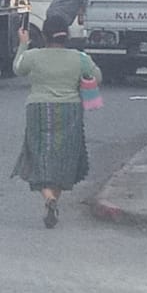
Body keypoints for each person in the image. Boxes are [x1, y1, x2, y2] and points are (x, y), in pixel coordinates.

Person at [11, 16, 98, 229]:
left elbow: (18, 68)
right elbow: (97, 77)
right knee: (63, 158)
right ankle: (53, 200)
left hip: (38, 110)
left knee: (38, 156)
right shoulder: (80, 58)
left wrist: (23, 43)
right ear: (66, 35)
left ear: (43, 36)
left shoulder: (34, 56)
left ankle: (48, 198)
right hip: (70, 110)